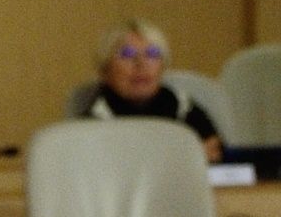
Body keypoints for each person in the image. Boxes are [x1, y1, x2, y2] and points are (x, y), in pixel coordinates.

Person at [74, 20, 227, 151]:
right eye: (127, 54)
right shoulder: (92, 122)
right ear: (104, 70)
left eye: (152, 54)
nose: (141, 64)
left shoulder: (184, 109)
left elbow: (216, 154)